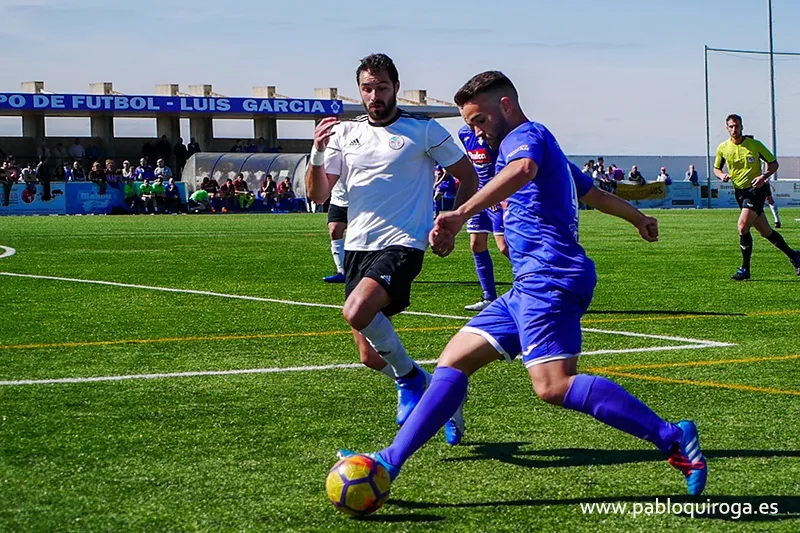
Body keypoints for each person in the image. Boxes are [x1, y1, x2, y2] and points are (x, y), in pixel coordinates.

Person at [340, 71, 708, 497]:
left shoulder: (525, 137)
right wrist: (638, 218)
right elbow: (594, 195)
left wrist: (460, 216)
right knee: (453, 361)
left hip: (551, 275)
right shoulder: (541, 149)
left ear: (506, 107)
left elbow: (523, 169)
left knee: (553, 385)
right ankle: (389, 461)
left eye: (478, 120)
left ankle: (673, 437)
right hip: (528, 284)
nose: (475, 131)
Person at [305, 53, 478, 445]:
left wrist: (452, 223)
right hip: (357, 247)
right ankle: (443, 395)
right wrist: (316, 152)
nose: (374, 95)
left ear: (396, 87)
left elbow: (467, 176)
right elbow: (318, 193)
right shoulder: (344, 134)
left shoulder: (424, 130)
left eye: (382, 87)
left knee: (356, 309)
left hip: (403, 242)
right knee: (369, 356)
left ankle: (411, 380)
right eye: (367, 88)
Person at [713, 114, 800, 280]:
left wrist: (763, 176)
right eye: (731, 126)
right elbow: (716, 168)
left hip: (756, 191)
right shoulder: (723, 148)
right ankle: (794, 255)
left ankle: (745, 269)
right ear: (727, 128)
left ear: (742, 127)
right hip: (740, 193)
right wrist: (721, 175)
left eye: (737, 126)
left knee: (742, 226)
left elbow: (773, 164)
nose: (734, 129)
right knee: (765, 232)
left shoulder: (754, 145)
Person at [459, 124, 509, 312]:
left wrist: (498, 192)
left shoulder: (495, 131)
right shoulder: (464, 134)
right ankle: (489, 296)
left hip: (497, 196)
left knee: (504, 246)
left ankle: (541, 285)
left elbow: (504, 164)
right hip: (478, 197)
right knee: (476, 243)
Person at [323, 180, 349, 283]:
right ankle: (341, 271)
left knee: (358, 234)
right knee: (334, 230)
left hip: (359, 201)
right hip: (337, 201)